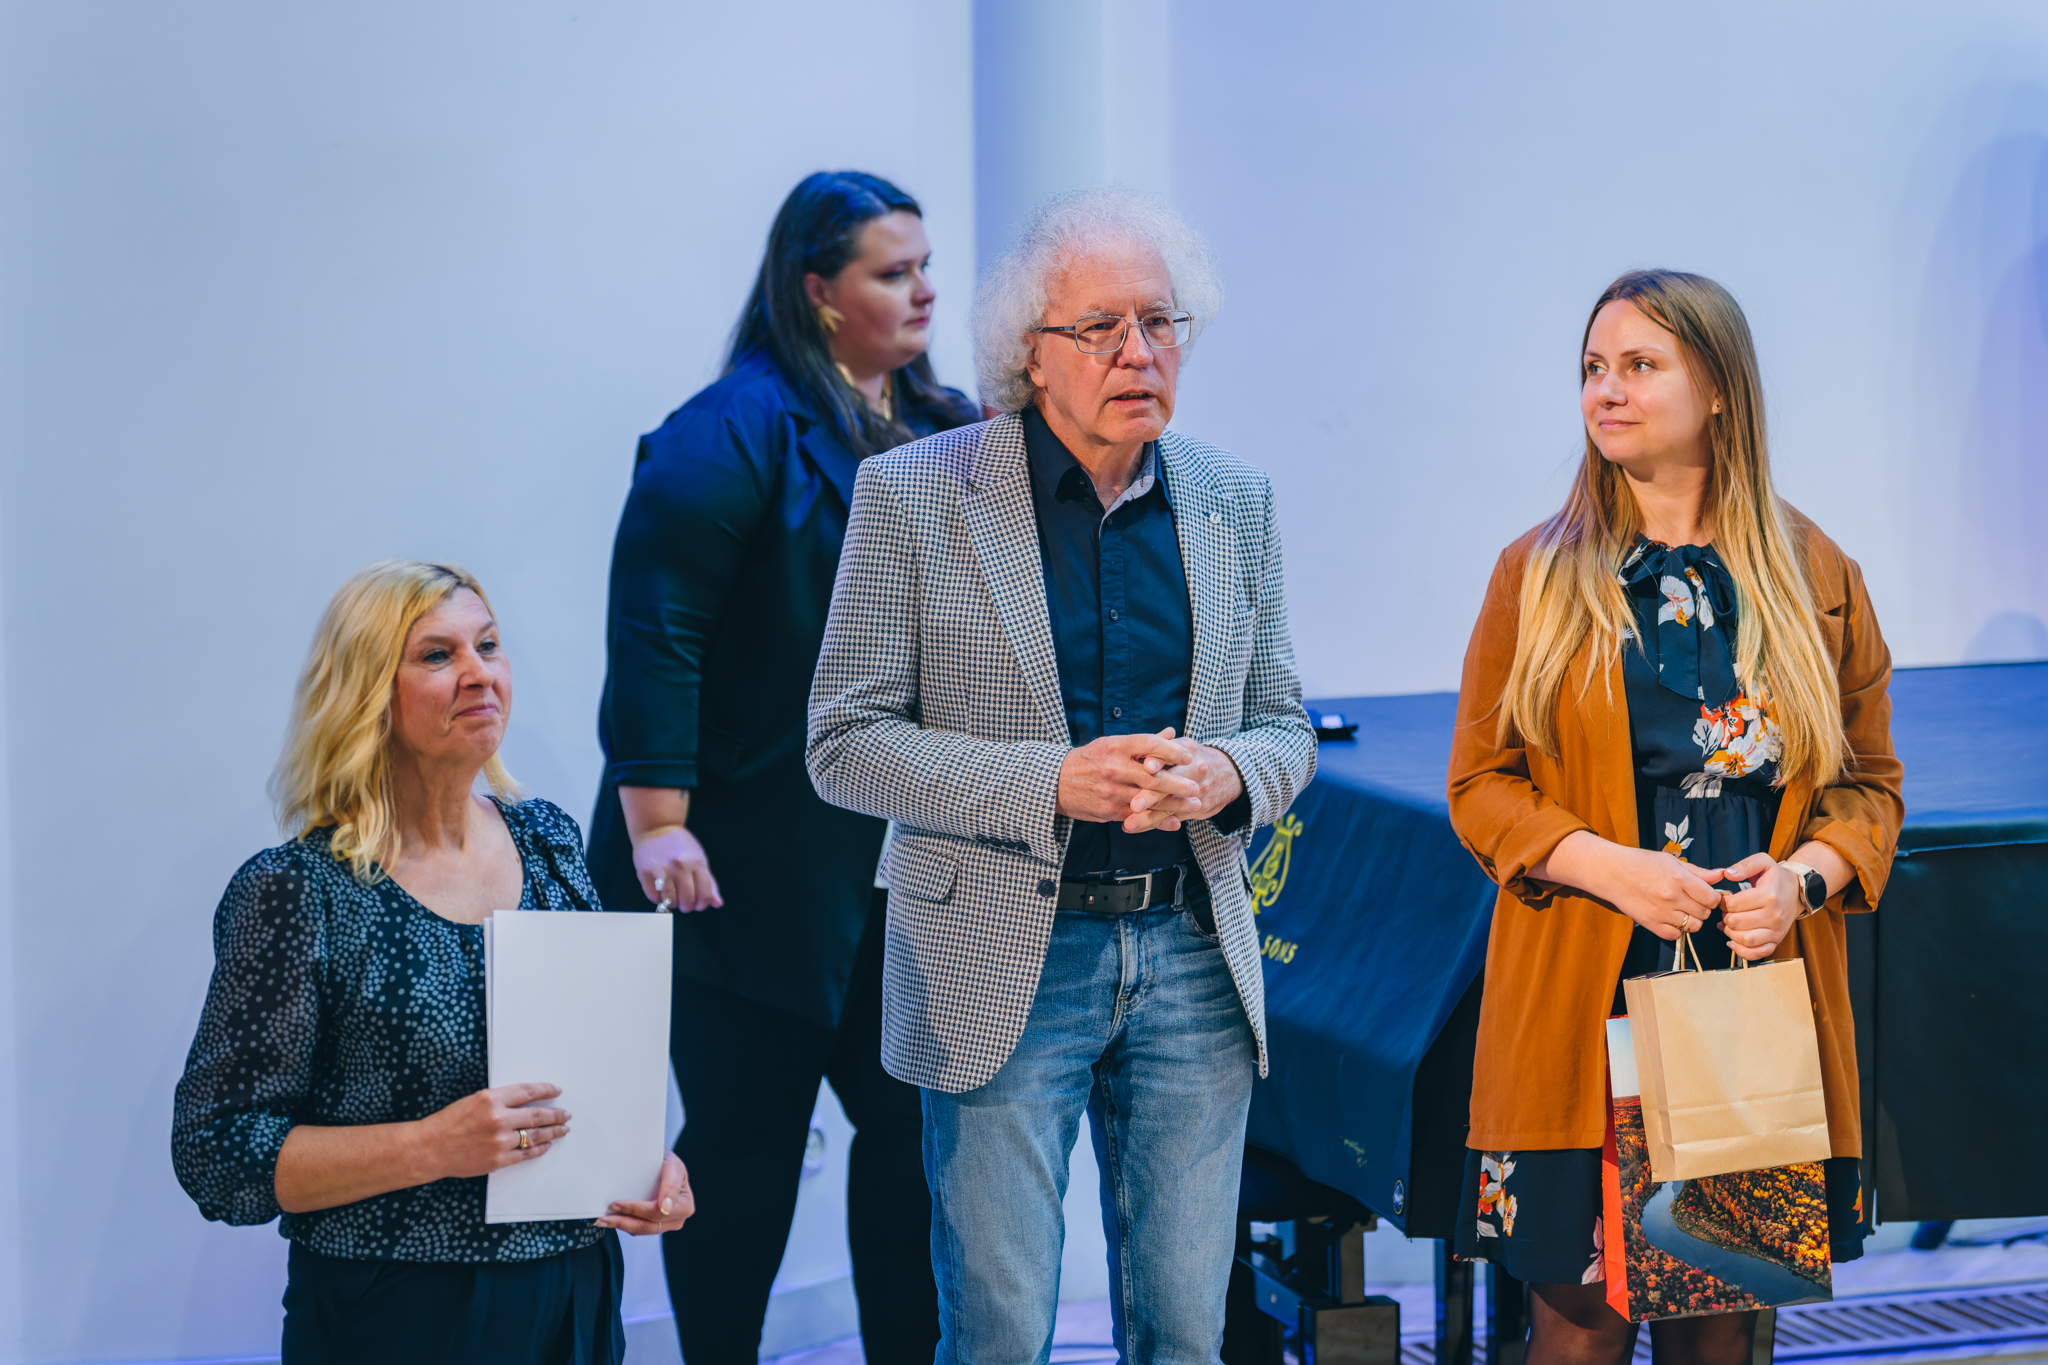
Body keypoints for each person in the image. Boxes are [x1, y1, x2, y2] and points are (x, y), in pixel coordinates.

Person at [806, 186, 1317, 1364]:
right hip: (1002, 957)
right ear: (1029, 354)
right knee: (995, 1334)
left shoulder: (1232, 499)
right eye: (1098, 328)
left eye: (1159, 322)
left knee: (1185, 1334)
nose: (1137, 352)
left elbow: (1284, 725)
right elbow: (844, 742)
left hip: (1188, 947)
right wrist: (1048, 781)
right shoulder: (913, 494)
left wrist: (1225, 772)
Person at [1446, 271, 1904, 1365]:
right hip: (1584, 989)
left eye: (1639, 366)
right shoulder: (1536, 574)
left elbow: (1868, 786)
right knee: (1578, 1327)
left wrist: (1800, 882)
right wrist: (1610, 867)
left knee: (1718, 1327)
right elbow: (1481, 784)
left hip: (1742, 997)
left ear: (1718, 390)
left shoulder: (1812, 573)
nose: (1605, 392)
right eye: (1592, 369)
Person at [586, 170, 975, 1364]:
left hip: (892, 862)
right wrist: (658, 821)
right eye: (891, 272)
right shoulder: (726, 432)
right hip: (738, 866)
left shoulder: (949, 423)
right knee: (746, 1143)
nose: (923, 290)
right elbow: (658, 632)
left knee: (912, 1136)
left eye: (924, 266)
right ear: (817, 292)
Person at [172, 560, 691, 1365]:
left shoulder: (549, 841)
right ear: (366, 692)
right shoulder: (298, 889)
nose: (479, 672)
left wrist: (647, 1162)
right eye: (438, 655)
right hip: (394, 1307)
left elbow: (585, 1060)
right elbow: (218, 1152)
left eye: (489, 645)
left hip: (574, 1290)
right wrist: (431, 1146)